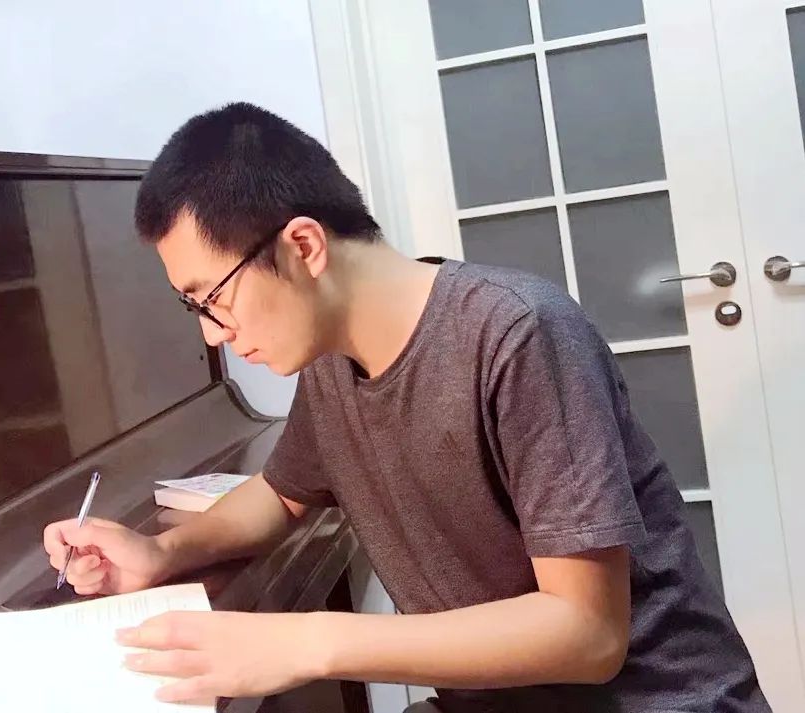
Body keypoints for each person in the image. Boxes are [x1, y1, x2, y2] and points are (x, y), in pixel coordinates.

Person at [43, 102, 768, 712]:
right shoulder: (329, 360)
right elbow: (281, 495)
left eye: (213, 297)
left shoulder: (517, 332)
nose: (212, 332)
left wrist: (306, 643)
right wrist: (161, 553)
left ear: (303, 246)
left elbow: (588, 633)